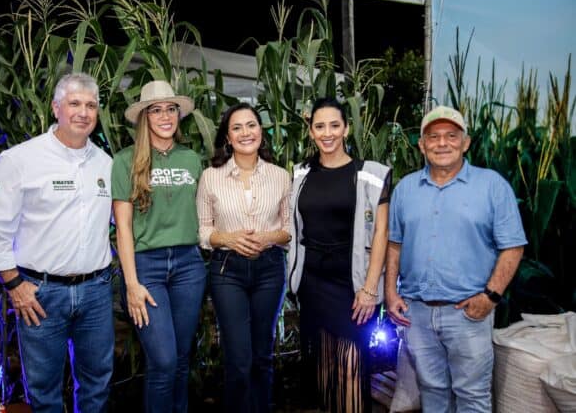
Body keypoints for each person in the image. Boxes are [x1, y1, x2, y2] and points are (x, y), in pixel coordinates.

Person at [0, 72, 114, 412]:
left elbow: (121, 221)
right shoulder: (20, 160)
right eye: (74, 103)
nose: (83, 113)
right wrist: (13, 283)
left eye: (91, 105)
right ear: (55, 108)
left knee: (97, 383)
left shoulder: (106, 164)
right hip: (39, 293)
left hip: (96, 291)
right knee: (44, 389)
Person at [385, 105, 527, 412]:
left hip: (468, 315)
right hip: (417, 313)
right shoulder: (406, 189)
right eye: (433, 136)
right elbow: (394, 244)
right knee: (432, 393)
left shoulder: (492, 186)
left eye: (451, 136)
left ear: (466, 143)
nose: (442, 143)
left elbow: (513, 246)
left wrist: (490, 296)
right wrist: (391, 293)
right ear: (421, 145)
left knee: (472, 397)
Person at [288, 98, 391, 413]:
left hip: (351, 284)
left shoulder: (370, 174)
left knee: (351, 366)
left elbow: (381, 234)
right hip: (312, 282)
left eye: (335, 125)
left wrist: (370, 289)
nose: (327, 133)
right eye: (319, 126)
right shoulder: (300, 173)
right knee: (325, 365)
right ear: (311, 132)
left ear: (346, 128)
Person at [111, 80, 205, 413]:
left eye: (171, 109)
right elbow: (122, 227)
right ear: (144, 117)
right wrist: (131, 284)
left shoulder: (191, 159)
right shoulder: (125, 161)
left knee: (181, 359)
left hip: (189, 265)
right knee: (163, 360)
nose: (165, 116)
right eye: (156, 110)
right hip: (145, 267)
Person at [196, 103, 291, 412]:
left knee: (262, 355)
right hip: (228, 271)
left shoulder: (280, 176)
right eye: (236, 127)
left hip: (270, 269)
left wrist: (266, 238)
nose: (245, 132)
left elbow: (289, 230)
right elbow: (204, 231)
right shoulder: (211, 177)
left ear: (261, 131)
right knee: (238, 359)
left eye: (251, 125)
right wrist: (230, 238)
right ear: (227, 136)